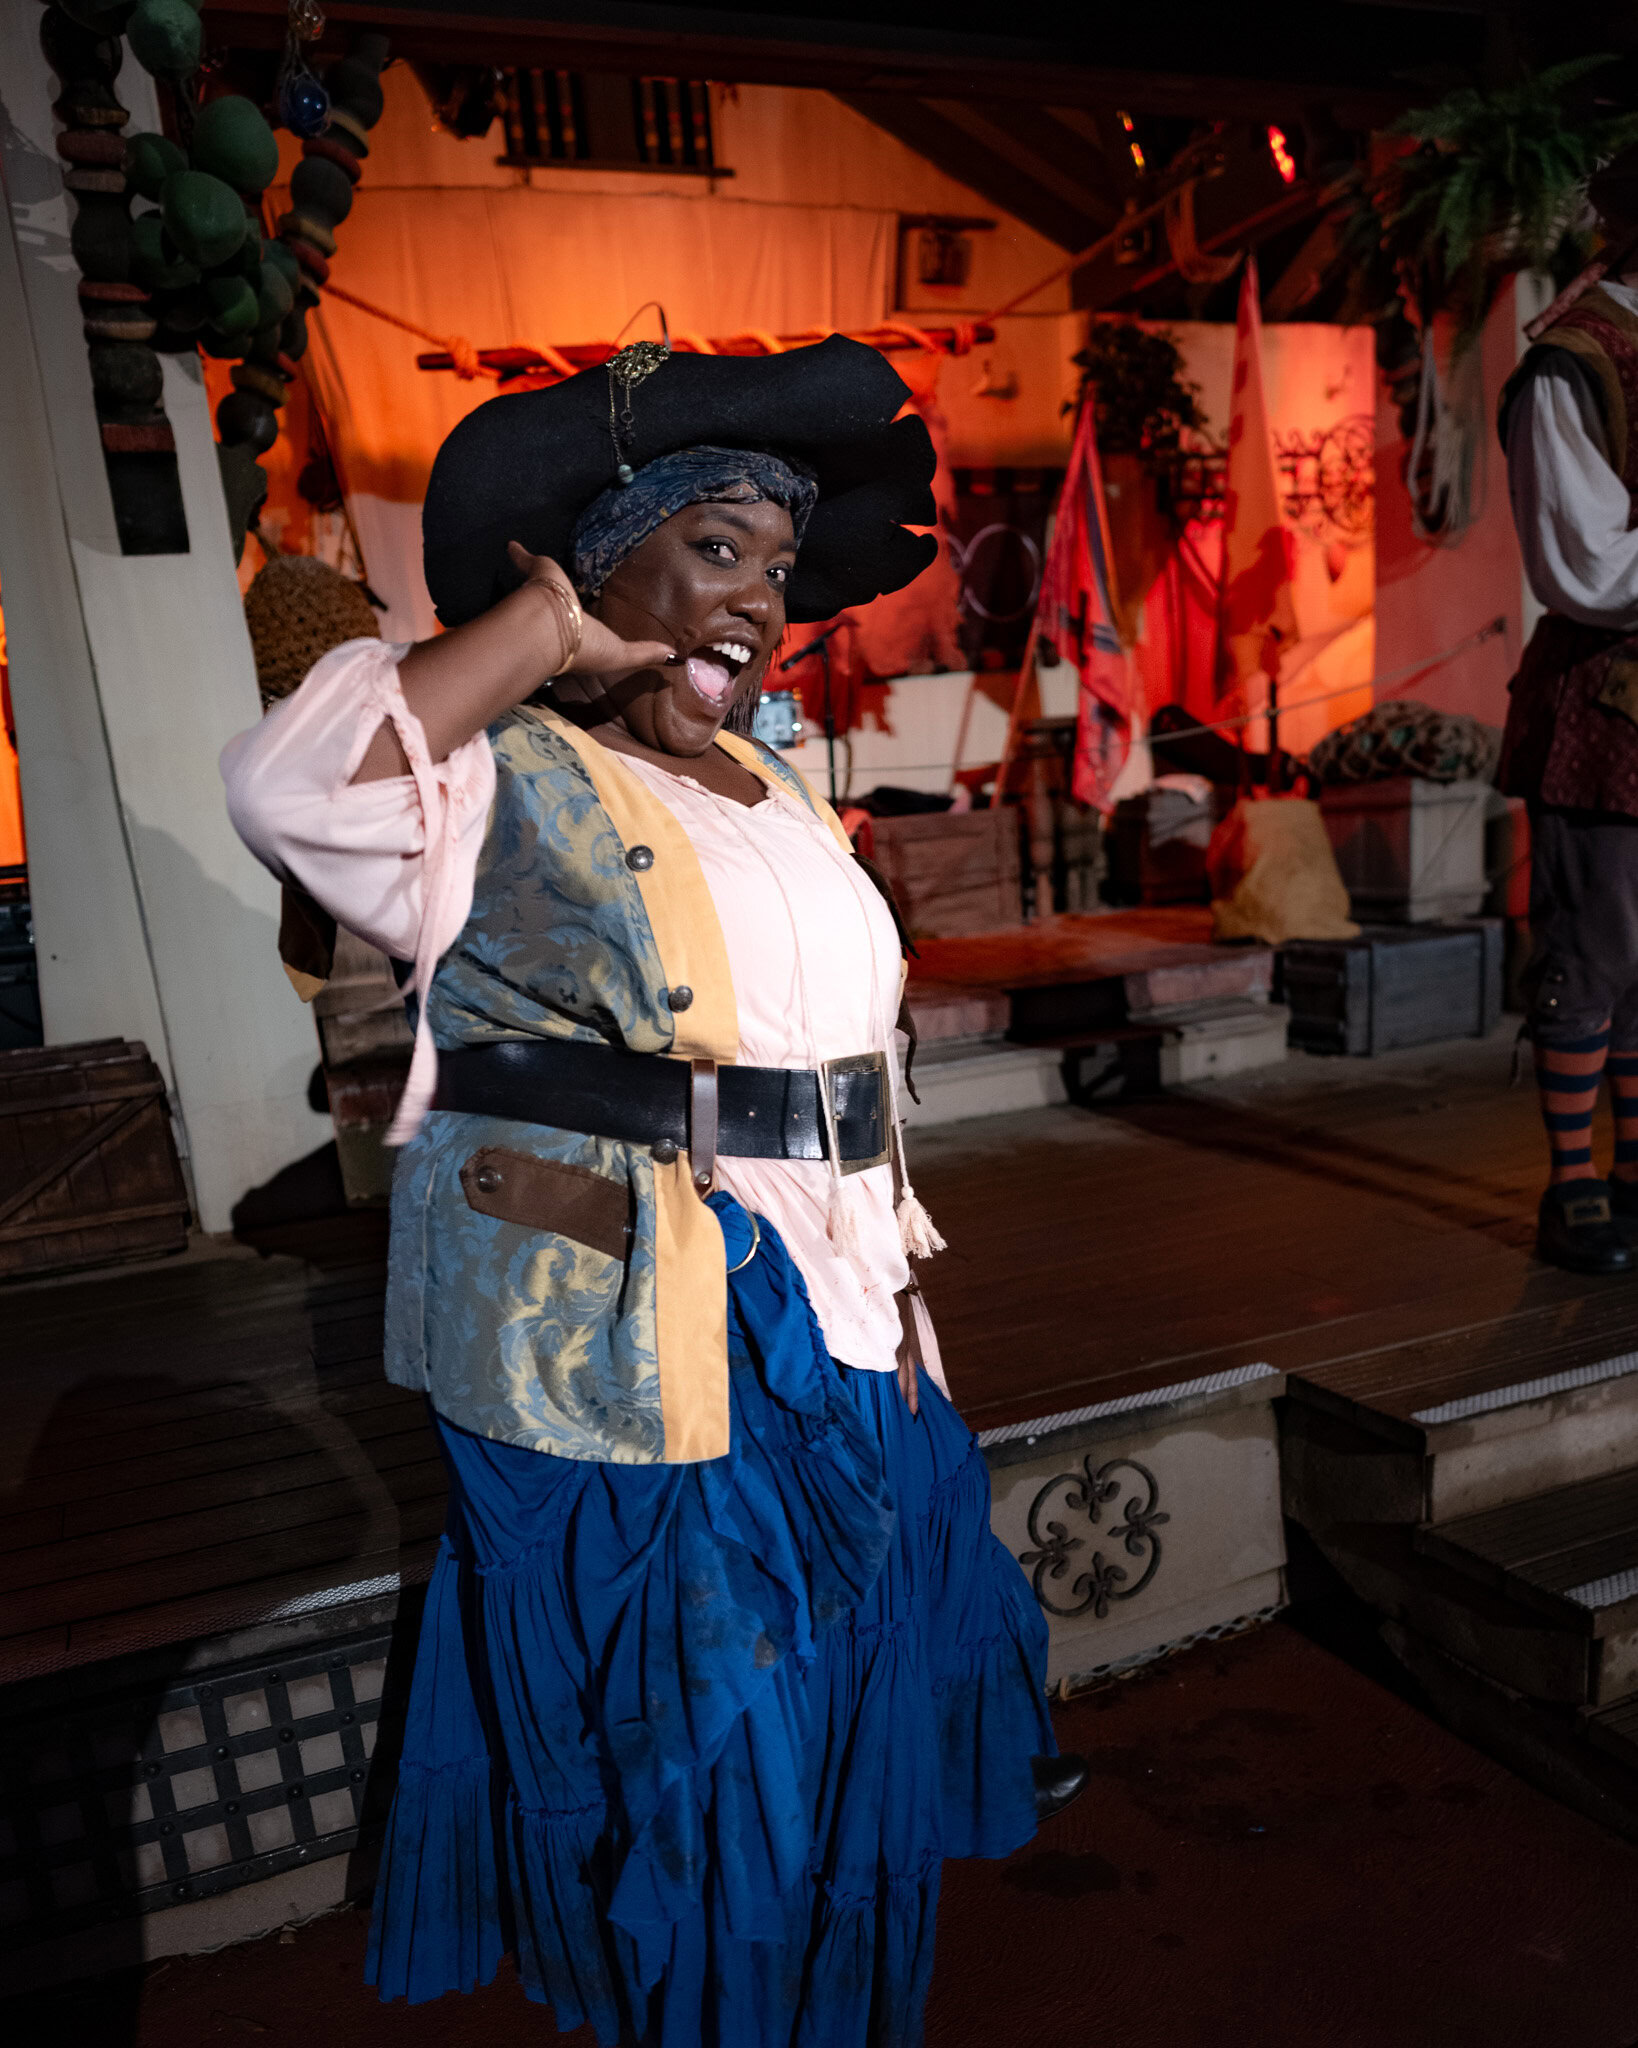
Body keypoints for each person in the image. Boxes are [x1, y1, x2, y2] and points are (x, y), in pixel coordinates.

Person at [222, 334, 1082, 2046]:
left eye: (775, 567)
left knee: (836, 1750)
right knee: (705, 1783)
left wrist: (897, 1299)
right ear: (595, 558)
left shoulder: (771, 789)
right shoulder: (497, 778)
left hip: (831, 1331)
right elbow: (287, 785)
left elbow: (841, 1074)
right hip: (629, 1353)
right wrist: (541, 631)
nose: (757, 600)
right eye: (712, 550)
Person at [1500, 158, 1638, 1276]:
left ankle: (1634, 1167)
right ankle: (1574, 1182)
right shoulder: (1573, 363)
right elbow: (1585, 566)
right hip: (1611, 703)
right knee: (1598, 947)